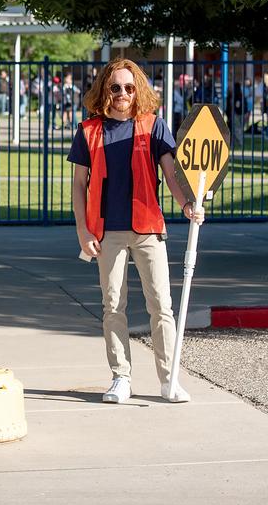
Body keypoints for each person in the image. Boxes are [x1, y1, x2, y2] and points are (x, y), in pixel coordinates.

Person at [68, 58, 205, 405]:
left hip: (147, 229)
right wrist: (83, 230)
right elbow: (79, 186)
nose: (123, 93)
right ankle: (121, 378)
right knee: (113, 305)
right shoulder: (89, 131)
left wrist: (187, 204)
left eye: (129, 87)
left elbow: (171, 174)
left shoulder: (153, 126)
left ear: (138, 89)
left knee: (162, 306)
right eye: (116, 87)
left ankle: (168, 380)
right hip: (107, 232)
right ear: (105, 90)